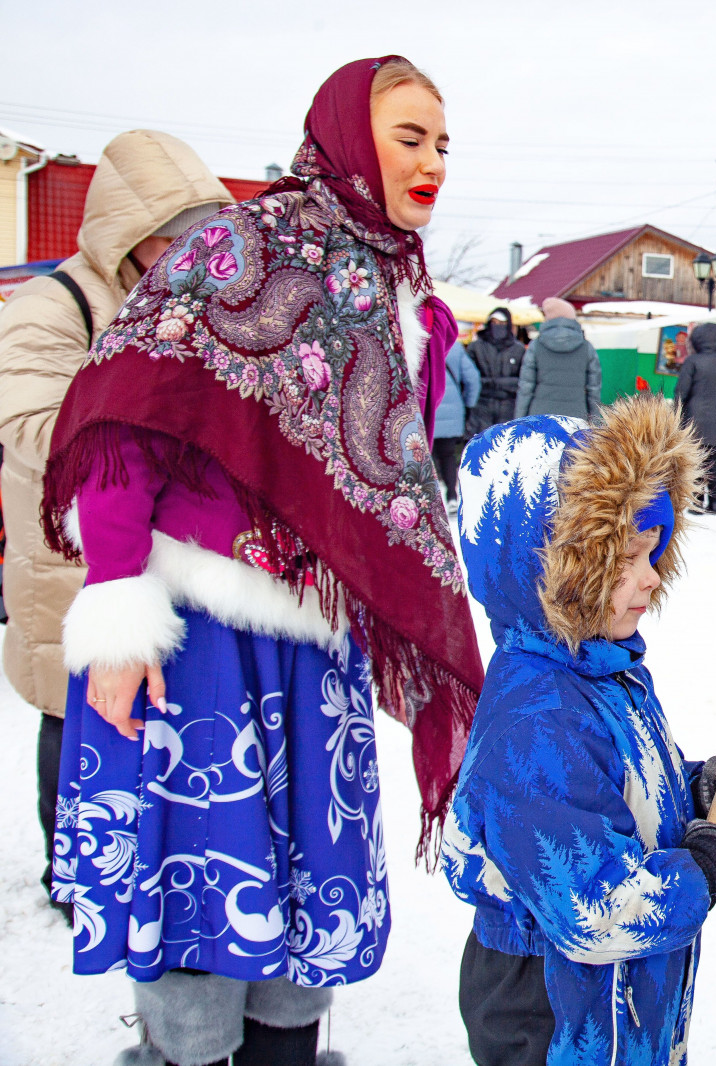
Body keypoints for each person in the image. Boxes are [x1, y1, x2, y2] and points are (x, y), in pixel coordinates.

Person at [41, 57, 484, 1066]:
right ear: (341, 132)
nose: (432, 164)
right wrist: (115, 616)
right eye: (410, 138)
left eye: (443, 145)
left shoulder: (405, 291)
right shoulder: (240, 247)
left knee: (301, 906)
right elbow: (125, 424)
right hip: (195, 642)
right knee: (202, 906)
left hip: (308, 651)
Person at [443, 397, 716, 1066]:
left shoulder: (603, 668)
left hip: (616, 995)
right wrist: (704, 871)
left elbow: (620, 791)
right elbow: (598, 911)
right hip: (551, 1008)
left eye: (655, 552)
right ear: (546, 568)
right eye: (626, 557)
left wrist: (700, 789)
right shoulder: (535, 721)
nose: (652, 578)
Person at [0, 130, 233, 927]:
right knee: (68, 711)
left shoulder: (182, 306)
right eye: (177, 238)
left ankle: (136, 854)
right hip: (69, 557)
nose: (192, 257)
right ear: (129, 238)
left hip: (159, 555)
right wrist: (150, 430)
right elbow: (31, 422)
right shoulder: (50, 305)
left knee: (139, 715)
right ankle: (72, 871)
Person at [674, 321, 716, 514]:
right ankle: (715, 503)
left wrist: (676, 416)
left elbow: (681, 392)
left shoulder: (692, 361)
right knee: (714, 460)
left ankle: (698, 502)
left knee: (696, 461)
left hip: (694, 419)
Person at [514, 296, 601, 422]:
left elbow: (526, 388)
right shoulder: (587, 348)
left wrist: (519, 421)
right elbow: (594, 391)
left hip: (539, 417)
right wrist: (596, 424)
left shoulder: (536, 345)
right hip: (576, 419)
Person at [434, 337, 482, 506]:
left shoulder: (413, 341)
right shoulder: (454, 346)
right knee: (448, 455)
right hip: (453, 408)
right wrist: (468, 404)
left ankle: (430, 501)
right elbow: (473, 379)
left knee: (424, 456)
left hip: (425, 408)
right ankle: (452, 496)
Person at [467, 306, 526, 434]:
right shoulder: (476, 347)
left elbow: (523, 379)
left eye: (502, 323)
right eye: (494, 323)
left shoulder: (518, 349)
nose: (497, 326)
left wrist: (498, 383)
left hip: (508, 407)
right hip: (481, 407)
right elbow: (470, 378)